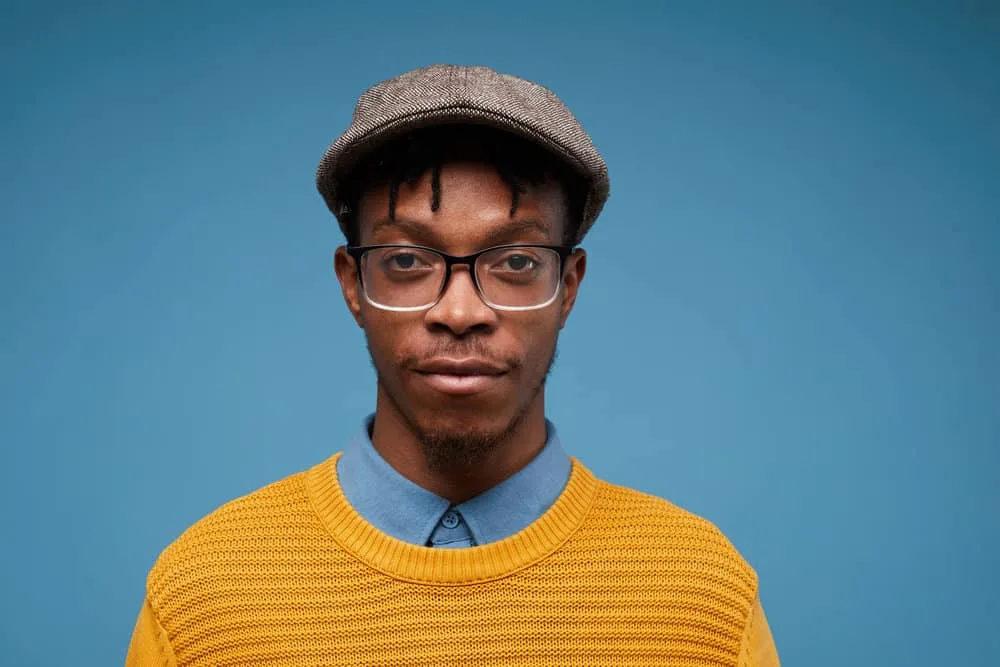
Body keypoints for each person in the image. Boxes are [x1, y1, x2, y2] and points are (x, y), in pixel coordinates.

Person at [126, 63, 780, 666]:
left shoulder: (703, 602)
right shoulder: (202, 599)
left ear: (570, 285)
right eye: (408, 261)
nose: (461, 310)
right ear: (353, 284)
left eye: (517, 262)